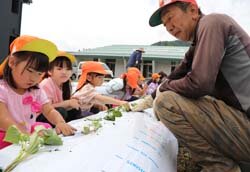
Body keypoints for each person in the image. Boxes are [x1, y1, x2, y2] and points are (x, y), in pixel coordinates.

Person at [142, 0, 250, 171]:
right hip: (243, 124)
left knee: (167, 103)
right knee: (174, 95)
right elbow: (178, 72)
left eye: (170, 18)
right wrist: (149, 98)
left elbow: (200, 83)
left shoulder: (212, 23)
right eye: (165, 24)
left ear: (193, 11)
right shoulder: (198, 43)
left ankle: (222, 168)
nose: (169, 27)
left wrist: (162, 90)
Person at [0, 35, 76, 149]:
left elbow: (49, 110)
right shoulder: (2, 89)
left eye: (39, 74)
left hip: (26, 129)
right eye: (30, 71)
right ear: (12, 62)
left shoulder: (36, 90)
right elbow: (3, 119)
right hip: (6, 132)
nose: (34, 78)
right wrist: (26, 136)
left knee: (46, 130)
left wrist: (60, 122)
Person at [37, 51, 82, 125]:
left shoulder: (65, 84)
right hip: (41, 117)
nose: (64, 72)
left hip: (55, 115)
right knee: (60, 111)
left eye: (68, 69)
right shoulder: (46, 84)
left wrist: (73, 102)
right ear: (49, 71)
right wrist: (67, 103)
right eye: (59, 69)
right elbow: (46, 108)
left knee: (75, 109)